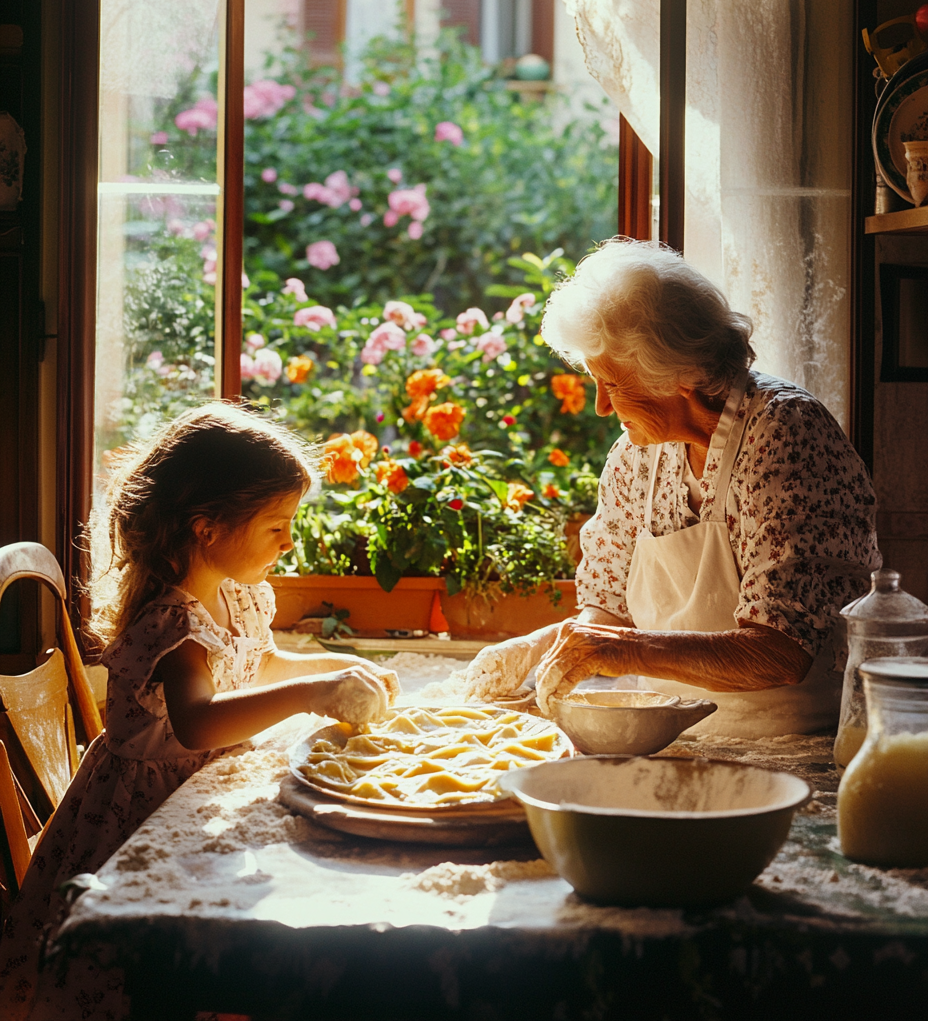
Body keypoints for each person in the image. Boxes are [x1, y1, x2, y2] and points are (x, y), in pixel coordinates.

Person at [0, 402, 398, 1020]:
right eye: (276, 525)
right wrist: (309, 697)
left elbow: (261, 668)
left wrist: (333, 673)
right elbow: (196, 721)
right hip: (139, 817)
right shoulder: (173, 622)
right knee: (146, 978)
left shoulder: (236, 598)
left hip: (200, 794)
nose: (290, 540)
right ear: (206, 526)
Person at [465, 239, 880, 737]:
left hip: (785, 745)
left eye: (612, 384)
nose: (600, 406)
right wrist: (533, 649)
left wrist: (620, 650)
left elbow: (781, 652)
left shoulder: (785, 434)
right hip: (661, 732)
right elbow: (608, 610)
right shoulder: (634, 455)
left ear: (679, 374)